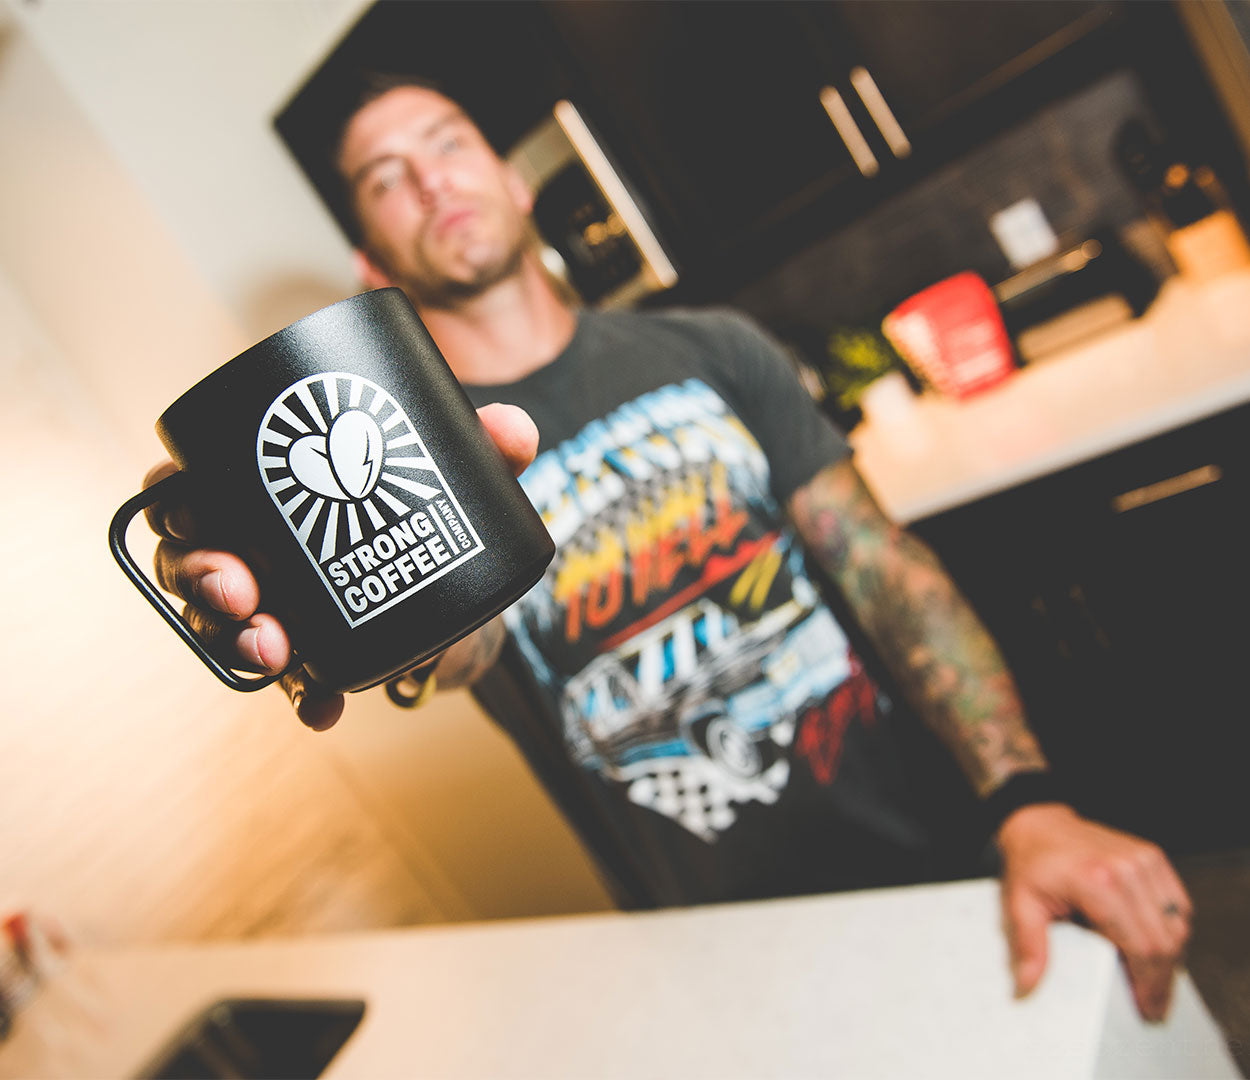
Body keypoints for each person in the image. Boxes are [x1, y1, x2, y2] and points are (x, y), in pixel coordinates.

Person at [143, 78, 1191, 1020]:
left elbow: (887, 575)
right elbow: (464, 648)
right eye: (386, 177)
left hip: (949, 864)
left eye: (448, 143)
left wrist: (1024, 802)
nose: (429, 181)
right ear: (370, 259)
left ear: (513, 182)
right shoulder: (413, 459)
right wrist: (358, 618)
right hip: (726, 958)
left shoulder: (713, 349)